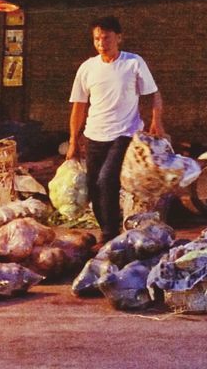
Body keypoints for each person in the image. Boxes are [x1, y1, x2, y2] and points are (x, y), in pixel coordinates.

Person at [66, 15, 166, 242]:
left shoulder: (133, 63)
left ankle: (109, 234)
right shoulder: (87, 68)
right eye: (97, 39)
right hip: (94, 135)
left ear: (119, 38)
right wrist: (73, 140)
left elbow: (154, 94)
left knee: (106, 179)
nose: (102, 43)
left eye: (107, 38)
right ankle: (107, 227)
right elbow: (78, 106)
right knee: (93, 186)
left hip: (125, 133)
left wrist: (156, 121)